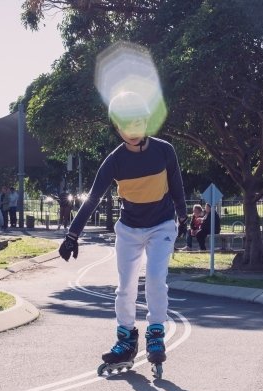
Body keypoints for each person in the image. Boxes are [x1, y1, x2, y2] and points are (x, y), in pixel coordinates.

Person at [58, 91, 187, 374]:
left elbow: (176, 185)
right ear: (117, 127)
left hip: (162, 225)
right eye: (125, 124)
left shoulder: (165, 151)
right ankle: (126, 341)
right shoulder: (114, 161)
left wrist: (183, 215)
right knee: (125, 287)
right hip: (129, 229)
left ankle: (155, 335)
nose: (132, 129)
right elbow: (92, 198)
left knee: (154, 277)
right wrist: (72, 234)